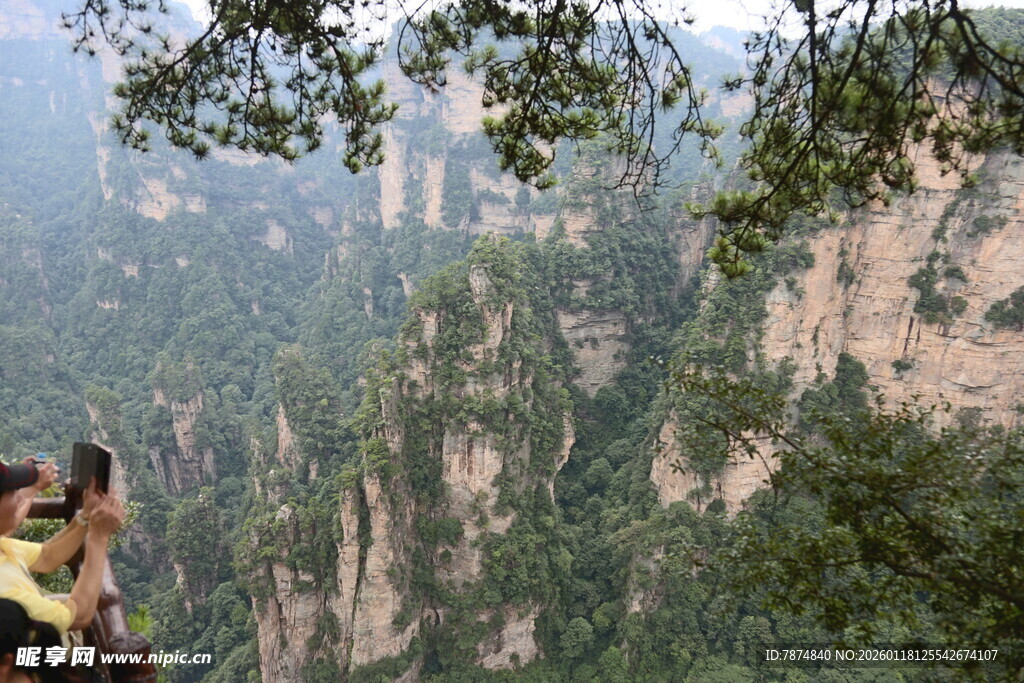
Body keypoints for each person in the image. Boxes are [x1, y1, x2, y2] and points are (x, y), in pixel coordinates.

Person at [0, 460, 125, 634]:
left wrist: (86, 515)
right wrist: (99, 537)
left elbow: (47, 557)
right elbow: (78, 616)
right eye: (12, 492)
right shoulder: (6, 592)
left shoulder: (3, 546)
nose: (21, 497)